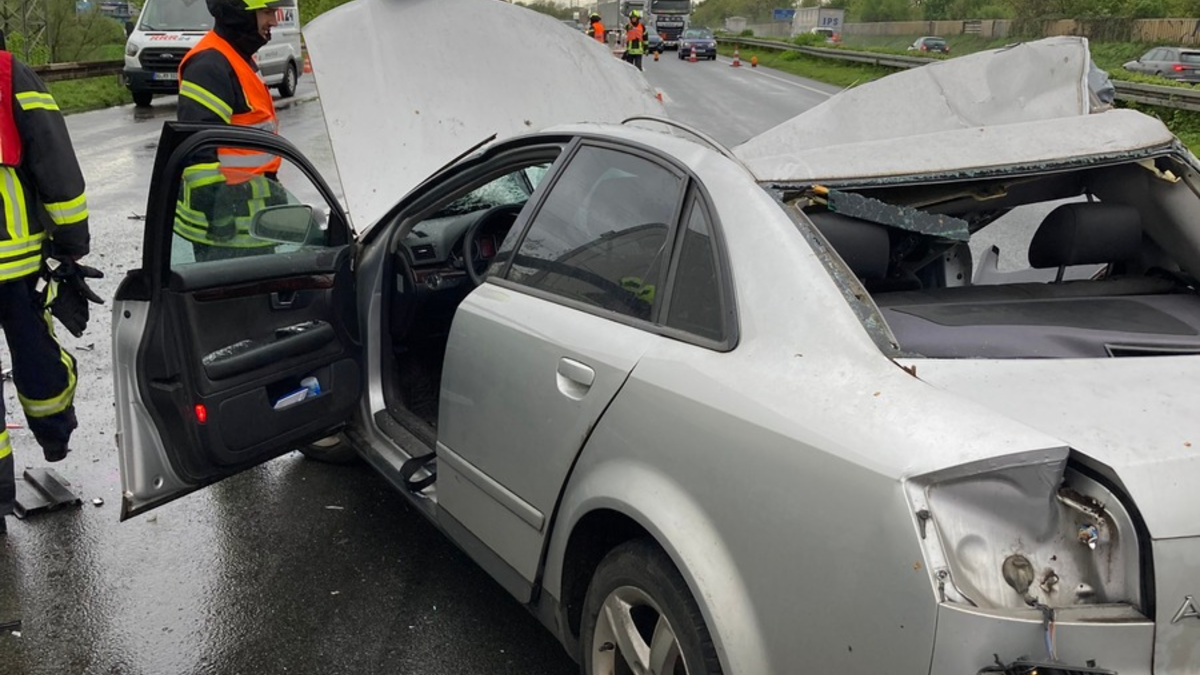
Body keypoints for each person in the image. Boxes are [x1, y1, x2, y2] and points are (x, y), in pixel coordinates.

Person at [0, 42, 93, 535]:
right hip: (13, 261)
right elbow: (53, 158)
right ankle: (55, 437)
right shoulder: (8, 72)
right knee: (37, 354)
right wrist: (71, 242)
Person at [175, 0, 288, 262]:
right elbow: (197, 154)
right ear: (239, 13)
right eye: (267, 12)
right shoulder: (210, 65)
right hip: (225, 232)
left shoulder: (237, 57)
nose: (274, 21)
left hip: (248, 224)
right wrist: (220, 214)